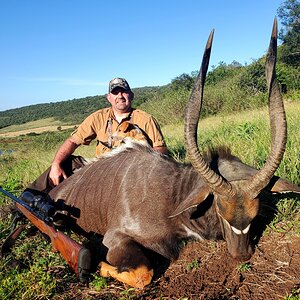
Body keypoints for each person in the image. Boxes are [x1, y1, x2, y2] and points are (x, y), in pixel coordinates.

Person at [25, 77, 168, 195]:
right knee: (67, 162)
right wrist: (56, 164)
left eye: (123, 92)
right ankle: (26, 200)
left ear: (131, 95)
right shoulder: (98, 117)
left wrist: (142, 163)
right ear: (109, 98)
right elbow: (73, 141)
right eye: (115, 93)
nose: (120, 96)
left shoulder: (145, 119)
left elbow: (160, 148)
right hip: (99, 167)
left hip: (130, 171)